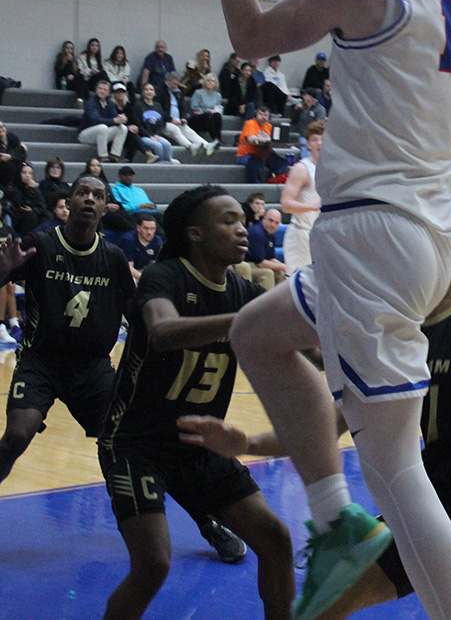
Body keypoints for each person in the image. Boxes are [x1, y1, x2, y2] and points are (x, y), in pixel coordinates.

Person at [191, 0, 451, 620]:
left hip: (374, 239)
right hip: (424, 237)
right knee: (258, 331)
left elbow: (252, 37)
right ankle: (332, 520)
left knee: (396, 470)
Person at [179, 226, 451, 620]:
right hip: (426, 498)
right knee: (321, 607)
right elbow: (328, 424)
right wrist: (246, 443)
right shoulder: (396, 337)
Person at [98, 186, 294, 620]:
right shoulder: (164, 276)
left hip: (199, 443)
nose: (241, 228)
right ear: (195, 233)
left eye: (242, 219)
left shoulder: (243, 291)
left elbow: (305, 350)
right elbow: (164, 332)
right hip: (136, 444)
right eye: (227, 220)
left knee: (276, 538)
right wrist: (247, 320)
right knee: (153, 564)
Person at [0, 174, 136, 486]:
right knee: (18, 435)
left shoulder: (113, 258)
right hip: (41, 361)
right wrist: (4, 268)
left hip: (93, 368)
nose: (90, 198)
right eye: (83, 193)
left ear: (104, 208)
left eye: (98, 195)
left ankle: (132, 506)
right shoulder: (40, 245)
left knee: (120, 440)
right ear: (68, 203)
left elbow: (136, 315)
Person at [281, 121, 323, 275]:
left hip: (322, 235)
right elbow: (286, 205)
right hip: (301, 235)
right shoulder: (302, 168)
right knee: (301, 289)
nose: (319, 143)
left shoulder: (332, 168)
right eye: (314, 139)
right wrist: (312, 206)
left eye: (323, 139)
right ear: (308, 144)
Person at [158, 71, 213, 156]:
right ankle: (190, 146)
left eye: (177, 84)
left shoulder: (177, 93)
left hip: (177, 120)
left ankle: (206, 145)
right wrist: (170, 119)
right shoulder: (160, 91)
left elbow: (182, 108)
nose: (176, 86)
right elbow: (158, 109)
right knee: (175, 130)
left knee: (188, 130)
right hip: (164, 121)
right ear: (169, 80)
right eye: (175, 84)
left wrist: (183, 118)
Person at [77, 79, 128, 163]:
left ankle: (114, 155)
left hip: (102, 133)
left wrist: (120, 119)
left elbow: (114, 119)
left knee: (123, 128)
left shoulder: (110, 104)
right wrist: (114, 120)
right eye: (100, 89)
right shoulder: (91, 103)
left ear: (109, 92)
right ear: (96, 90)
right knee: (102, 127)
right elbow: (95, 120)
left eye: (105, 90)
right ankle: (103, 156)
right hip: (85, 134)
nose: (102, 91)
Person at [236, 107, 288, 184]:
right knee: (255, 164)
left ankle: (271, 180)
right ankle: (256, 185)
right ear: (256, 115)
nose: (263, 117)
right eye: (260, 114)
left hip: (264, 154)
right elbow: (251, 139)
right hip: (247, 154)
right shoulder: (250, 123)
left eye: (265, 115)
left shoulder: (269, 127)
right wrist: (267, 139)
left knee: (282, 164)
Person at [110, 83, 160, 164]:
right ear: (114, 93)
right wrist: (128, 126)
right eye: (117, 92)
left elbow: (135, 121)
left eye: (122, 92)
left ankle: (129, 160)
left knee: (133, 135)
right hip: (114, 133)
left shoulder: (128, 106)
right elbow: (111, 121)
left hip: (127, 135)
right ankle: (147, 153)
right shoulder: (111, 105)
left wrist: (134, 127)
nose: (120, 94)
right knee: (131, 133)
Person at [133, 83, 177, 164]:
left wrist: (157, 134)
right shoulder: (138, 106)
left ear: (154, 93)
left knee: (167, 145)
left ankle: (167, 164)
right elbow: (138, 125)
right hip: (144, 136)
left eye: (151, 90)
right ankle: (158, 165)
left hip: (156, 135)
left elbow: (161, 124)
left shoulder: (158, 106)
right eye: (146, 90)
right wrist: (150, 136)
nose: (149, 92)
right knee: (158, 146)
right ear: (142, 93)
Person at [245, 208, 287, 290]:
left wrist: (286, 268)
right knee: (268, 273)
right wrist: (285, 267)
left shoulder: (271, 235)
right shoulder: (257, 233)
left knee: (281, 273)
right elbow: (261, 263)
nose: (273, 225)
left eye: (276, 223)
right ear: (264, 219)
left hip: (257, 263)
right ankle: (266, 302)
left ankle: (280, 300)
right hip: (245, 264)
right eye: (271, 221)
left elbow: (271, 258)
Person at [6, 161, 51, 235]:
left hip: (33, 216)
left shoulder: (34, 188)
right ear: (19, 174)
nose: (27, 176)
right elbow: (20, 203)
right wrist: (30, 190)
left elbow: (42, 207)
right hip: (18, 216)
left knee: (47, 217)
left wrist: (34, 189)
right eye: (24, 173)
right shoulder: (12, 188)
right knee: (29, 216)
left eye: (30, 173)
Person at [119, 216, 163, 282]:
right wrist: (144, 278)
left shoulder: (157, 241)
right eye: (146, 228)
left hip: (144, 270)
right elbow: (128, 267)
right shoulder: (128, 240)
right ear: (138, 228)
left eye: (152, 229)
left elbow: (157, 263)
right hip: (127, 272)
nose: (149, 232)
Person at [0, 201, 20, 344]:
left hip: (6, 269)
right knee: (3, 284)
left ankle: (14, 324)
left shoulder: (7, 229)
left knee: (10, 283)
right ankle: (1, 325)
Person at [187, 73, 223, 147]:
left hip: (210, 119)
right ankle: (214, 139)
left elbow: (218, 110)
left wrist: (204, 111)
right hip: (197, 119)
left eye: (212, 81)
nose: (210, 82)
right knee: (209, 115)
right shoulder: (198, 92)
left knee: (217, 116)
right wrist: (208, 111)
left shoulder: (218, 96)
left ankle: (218, 139)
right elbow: (194, 108)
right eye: (208, 80)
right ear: (205, 81)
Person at [0, 120, 27, 189]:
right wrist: (14, 155)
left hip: (16, 168)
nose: (1, 129)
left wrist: (10, 156)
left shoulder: (12, 137)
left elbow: (22, 154)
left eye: (2, 127)